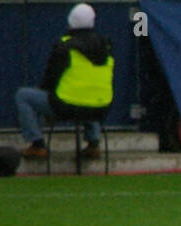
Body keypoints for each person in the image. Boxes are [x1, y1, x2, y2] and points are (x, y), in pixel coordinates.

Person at [15, 3, 112, 160]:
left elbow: (51, 78)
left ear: (71, 21)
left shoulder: (65, 45)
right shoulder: (106, 46)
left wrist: (45, 92)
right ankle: (94, 144)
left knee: (23, 95)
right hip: (101, 109)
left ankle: (37, 144)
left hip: (66, 107)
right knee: (90, 98)